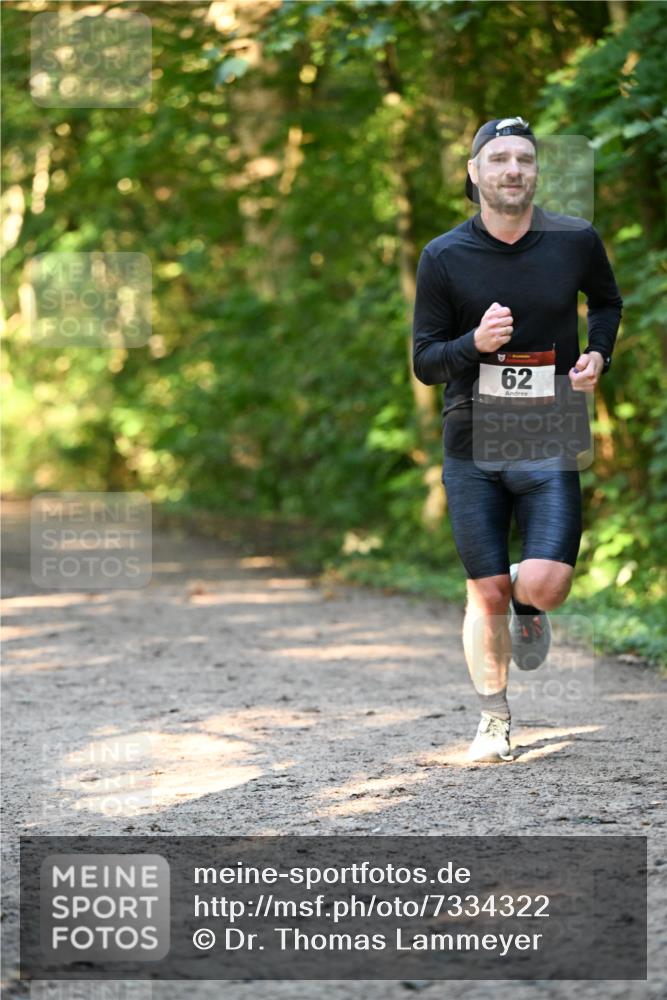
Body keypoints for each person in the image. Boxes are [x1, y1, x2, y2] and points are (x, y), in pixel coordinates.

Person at [412, 116, 623, 763]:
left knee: (546, 583)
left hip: (547, 428)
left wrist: (597, 355)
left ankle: (522, 599)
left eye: (523, 160)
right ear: (473, 174)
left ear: (534, 173)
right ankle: (493, 721)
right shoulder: (444, 256)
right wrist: (472, 344)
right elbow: (425, 361)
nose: (512, 169)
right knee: (484, 594)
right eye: (498, 158)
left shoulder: (574, 240)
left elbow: (606, 303)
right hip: (471, 439)